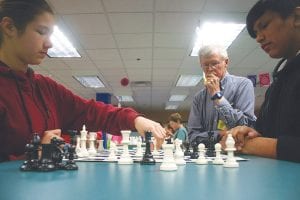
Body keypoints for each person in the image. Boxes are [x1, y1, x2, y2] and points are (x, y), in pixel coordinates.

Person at [0, 0, 165, 162]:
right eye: (41, 32)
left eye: (50, 35)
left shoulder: (45, 88)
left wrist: (135, 119)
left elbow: (91, 111)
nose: (49, 43)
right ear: (9, 27)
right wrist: (35, 155)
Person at [222, 0, 300, 162]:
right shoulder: (280, 80)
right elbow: (268, 132)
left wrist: (251, 145)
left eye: (264, 26)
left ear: (297, 17)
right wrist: (249, 132)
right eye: (255, 33)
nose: (258, 38)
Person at [187, 45, 256, 146]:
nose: (210, 69)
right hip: (208, 157)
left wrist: (217, 95)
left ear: (226, 62)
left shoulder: (243, 85)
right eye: (205, 65)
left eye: (215, 63)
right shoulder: (199, 98)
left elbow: (245, 127)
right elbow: (192, 137)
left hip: (237, 154)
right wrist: (220, 134)